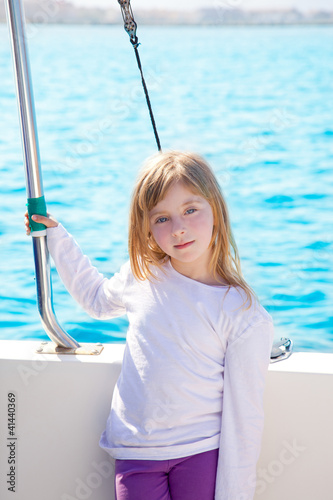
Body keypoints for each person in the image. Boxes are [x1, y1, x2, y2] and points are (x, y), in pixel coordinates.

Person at [25, 150, 274, 500]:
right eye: (162, 218)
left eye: (190, 210)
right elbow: (95, 299)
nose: (179, 228)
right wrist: (56, 237)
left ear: (216, 209)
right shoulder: (142, 274)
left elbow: (245, 418)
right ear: (146, 227)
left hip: (202, 452)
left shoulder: (243, 313)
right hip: (136, 452)